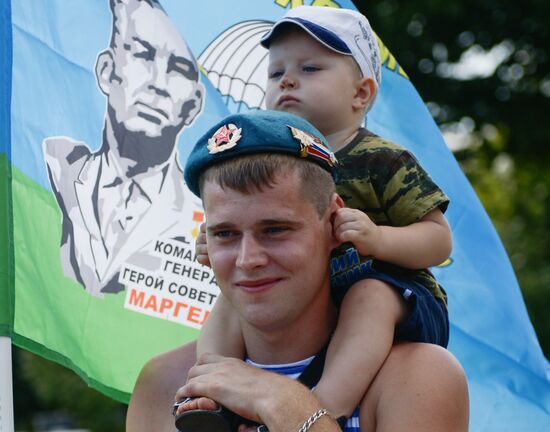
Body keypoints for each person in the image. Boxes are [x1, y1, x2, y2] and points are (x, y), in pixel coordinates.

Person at [126, 110, 468, 431]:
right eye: (225, 234)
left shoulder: (417, 377)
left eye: (275, 230)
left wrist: (286, 404)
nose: (248, 259)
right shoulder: (164, 381)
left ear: (333, 222)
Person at [193, 5, 452, 422]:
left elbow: (439, 241)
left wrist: (378, 239)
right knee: (231, 298)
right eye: (276, 73)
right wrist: (212, 241)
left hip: (396, 296)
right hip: (317, 299)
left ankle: (325, 406)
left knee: (368, 296)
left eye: (311, 69)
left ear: (361, 93)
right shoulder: (269, 166)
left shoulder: (381, 159)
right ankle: (207, 392)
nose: (288, 80)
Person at [43, 0, 204, 296]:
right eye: (143, 54)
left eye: (178, 69)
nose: (158, 83)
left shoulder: (203, 226)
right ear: (106, 71)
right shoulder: (51, 167)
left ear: (193, 106)